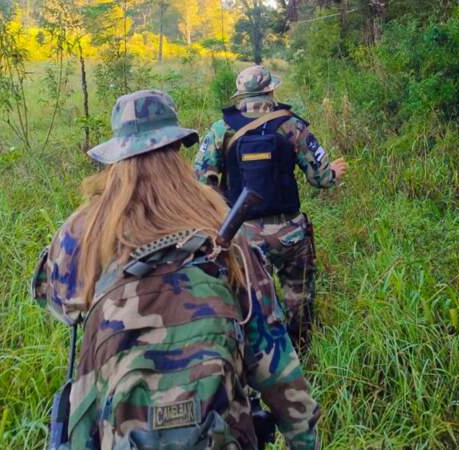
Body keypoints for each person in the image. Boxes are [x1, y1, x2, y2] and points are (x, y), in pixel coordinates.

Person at [32, 90, 320, 450]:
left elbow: (57, 304)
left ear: (116, 155)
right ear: (177, 147)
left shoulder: (79, 233)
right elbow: (275, 362)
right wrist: (304, 441)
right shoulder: (218, 221)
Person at [194, 65, 347, 351]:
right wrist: (335, 173)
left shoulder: (221, 129)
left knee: (250, 298)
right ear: (270, 91)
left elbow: (201, 181)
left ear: (239, 95)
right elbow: (321, 178)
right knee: (298, 294)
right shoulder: (291, 125)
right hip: (290, 232)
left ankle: (259, 355)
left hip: (241, 236)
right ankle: (300, 352)